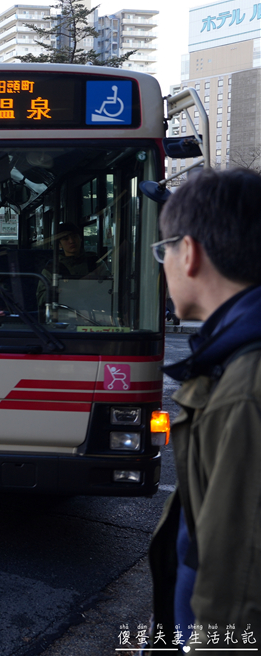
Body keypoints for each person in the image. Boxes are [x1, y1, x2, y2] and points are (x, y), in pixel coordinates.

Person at [147, 168, 261, 652]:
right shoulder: (230, 357)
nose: (164, 264)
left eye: (163, 250)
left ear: (188, 253)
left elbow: (240, 581)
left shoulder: (245, 388)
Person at [37, 222, 109, 308]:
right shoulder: (52, 268)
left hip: (94, 312)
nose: (71, 241)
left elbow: (108, 287)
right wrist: (59, 292)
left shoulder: (95, 263)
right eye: (65, 239)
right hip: (63, 314)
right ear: (59, 244)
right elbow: (41, 298)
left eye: (74, 236)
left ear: (80, 238)